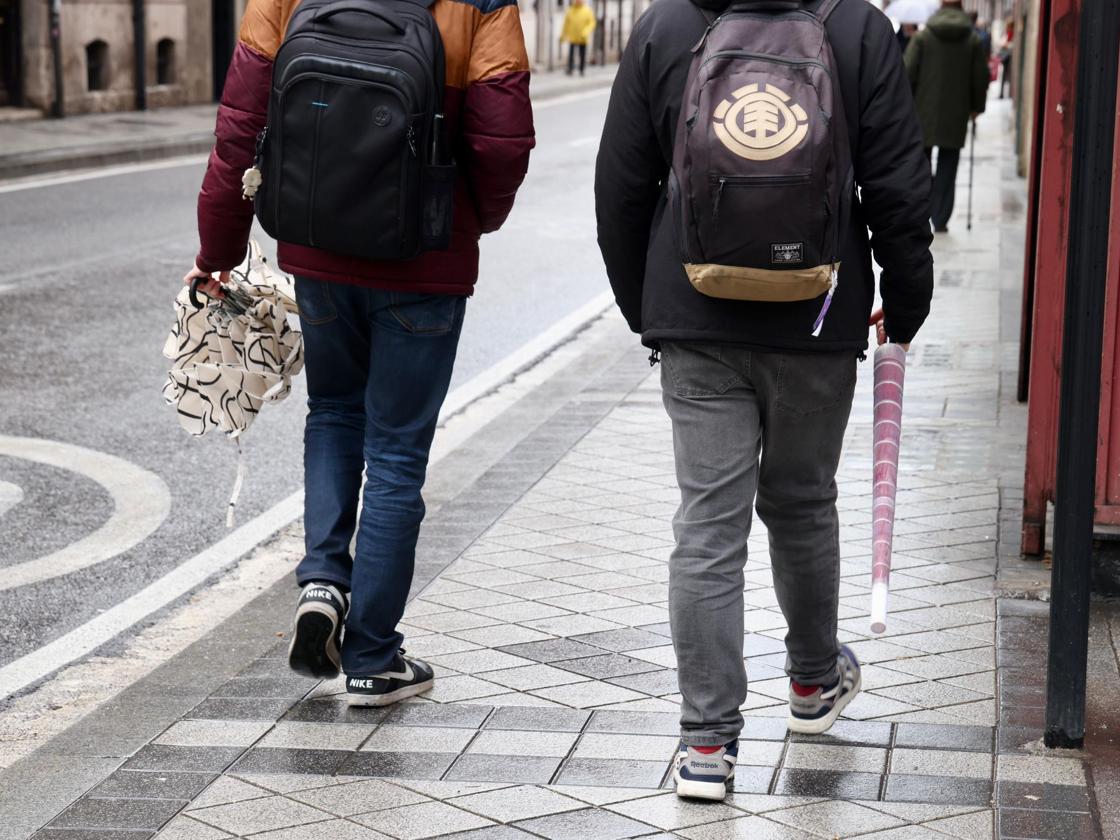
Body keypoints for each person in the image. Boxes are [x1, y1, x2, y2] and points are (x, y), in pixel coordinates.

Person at [596, 0, 933, 801]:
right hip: (818, 316)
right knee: (804, 501)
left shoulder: (666, 26)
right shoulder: (857, 28)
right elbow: (897, 185)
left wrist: (646, 304)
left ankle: (706, 747)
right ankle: (814, 685)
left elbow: (620, 185)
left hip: (695, 314)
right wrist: (905, 302)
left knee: (707, 527)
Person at [182, 0, 535, 707]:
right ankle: (373, 656)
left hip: (317, 250)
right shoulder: (483, 4)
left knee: (334, 412)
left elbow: (240, 128)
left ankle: (322, 581)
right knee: (398, 450)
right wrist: (468, 218)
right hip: (426, 255)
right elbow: (501, 144)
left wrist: (217, 251)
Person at [905, 0, 989, 232]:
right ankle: (940, 218)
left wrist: (906, 106)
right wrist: (976, 108)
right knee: (948, 166)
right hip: (956, 113)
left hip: (923, 113)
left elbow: (907, 72)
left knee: (920, 164)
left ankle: (921, 210)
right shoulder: (972, 40)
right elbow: (980, 78)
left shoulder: (923, 37)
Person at [561, 0, 597, 76]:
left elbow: (592, 23)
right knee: (571, 54)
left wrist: (586, 32)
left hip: (583, 37)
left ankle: (582, 69)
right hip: (573, 36)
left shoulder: (587, 10)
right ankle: (570, 68)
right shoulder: (570, 10)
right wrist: (563, 35)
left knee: (582, 54)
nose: (578, 1)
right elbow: (566, 24)